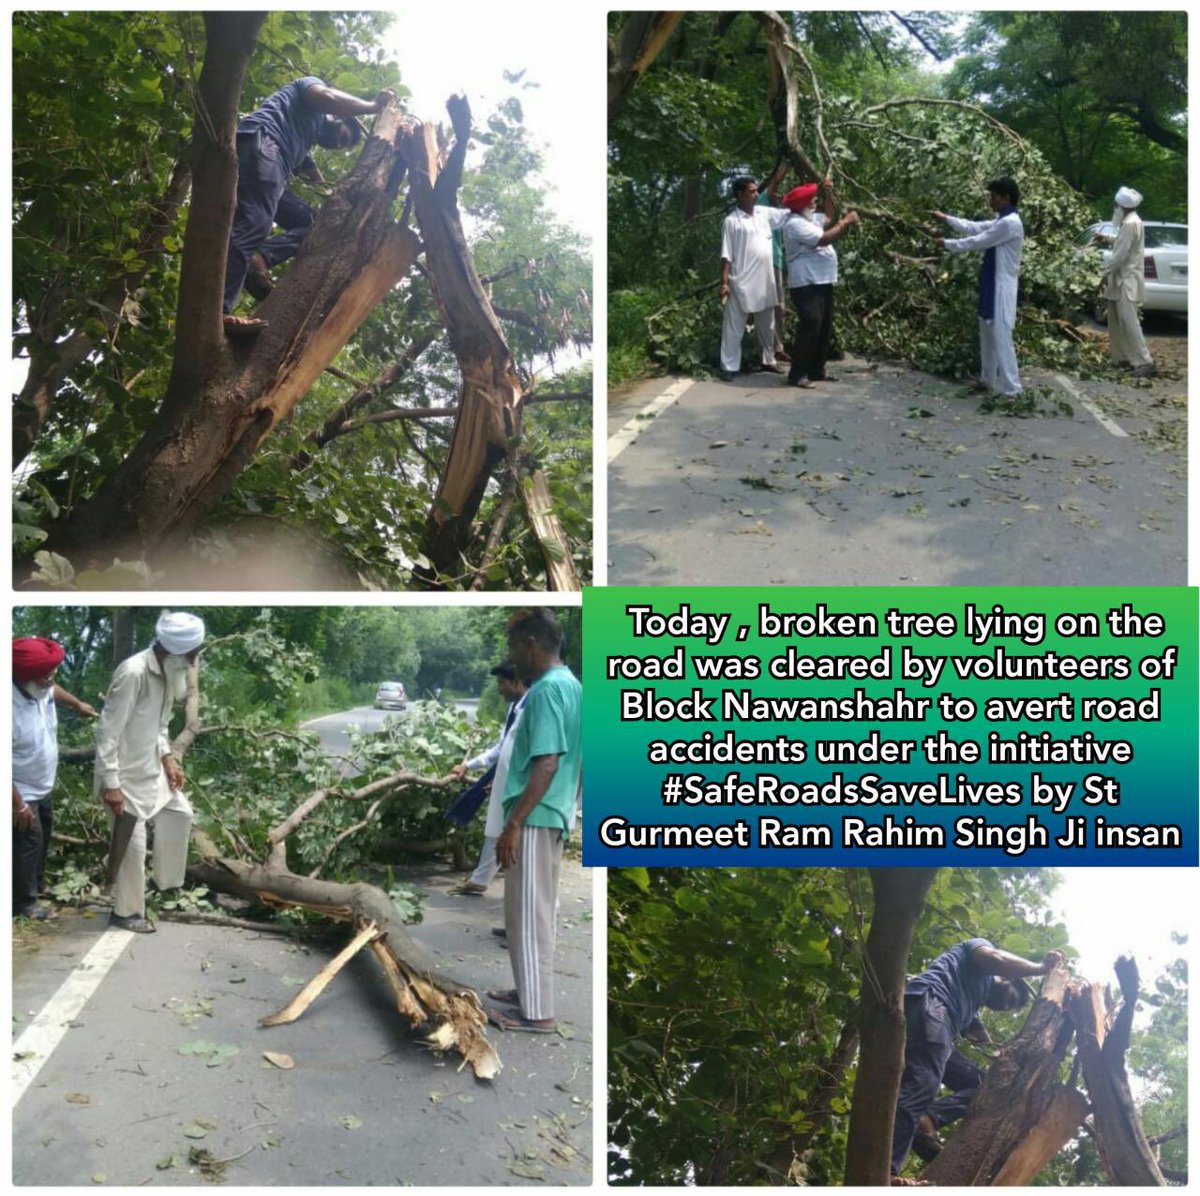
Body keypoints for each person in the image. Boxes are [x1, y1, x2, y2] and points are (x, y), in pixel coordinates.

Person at [222, 78, 398, 335]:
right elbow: (327, 97)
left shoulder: (305, 131)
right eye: (342, 136)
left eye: (340, 145)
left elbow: (308, 167)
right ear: (338, 117)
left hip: (272, 162)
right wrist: (372, 107)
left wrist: (328, 185)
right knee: (255, 222)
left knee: (316, 223)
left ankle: (261, 257)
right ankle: (220, 311)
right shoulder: (310, 92)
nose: (337, 143)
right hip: (263, 144)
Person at [890, 938, 1065, 1181]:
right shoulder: (977, 953)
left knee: (986, 1084)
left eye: (1010, 1008)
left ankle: (929, 1117)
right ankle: (887, 1170)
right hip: (930, 1004)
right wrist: (1040, 969)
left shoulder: (972, 999)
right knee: (922, 1083)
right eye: (1012, 999)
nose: (1005, 1006)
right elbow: (997, 960)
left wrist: (1005, 1057)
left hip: (937, 1025)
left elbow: (981, 1037)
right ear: (1007, 978)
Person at [488, 609, 582, 1033]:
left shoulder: (545, 692)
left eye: (512, 647)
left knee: (528, 913)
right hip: (552, 812)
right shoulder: (572, 686)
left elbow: (546, 763)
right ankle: (527, 991)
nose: (511, 656)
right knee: (531, 909)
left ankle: (537, 1013)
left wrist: (514, 824)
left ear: (530, 645)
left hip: (535, 817)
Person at [93, 612, 206, 933]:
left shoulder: (170, 672)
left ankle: (164, 882)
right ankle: (125, 913)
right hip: (124, 778)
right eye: (192, 654)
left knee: (180, 812)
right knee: (132, 847)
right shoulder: (134, 673)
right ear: (175, 652)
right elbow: (107, 733)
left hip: (151, 771)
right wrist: (111, 784)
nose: (195, 660)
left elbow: (160, 725)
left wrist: (168, 759)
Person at [13, 637, 98, 920]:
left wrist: (77, 704)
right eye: (45, 675)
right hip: (19, 790)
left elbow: (53, 691)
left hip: (42, 782)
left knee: (43, 834)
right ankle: (24, 903)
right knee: (28, 842)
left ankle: (37, 885)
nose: (51, 679)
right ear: (25, 677)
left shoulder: (40, 686)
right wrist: (17, 804)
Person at [932, 178, 1025, 399]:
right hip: (991, 283)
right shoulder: (1001, 220)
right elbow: (973, 226)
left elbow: (977, 240)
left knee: (1002, 337)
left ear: (1006, 198)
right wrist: (945, 218)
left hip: (1001, 287)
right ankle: (987, 379)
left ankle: (1013, 389)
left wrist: (946, 244)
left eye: (994, 197)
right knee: (987, 333)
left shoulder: (1010, 223)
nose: (991, 201)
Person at [445, 662, 529, 896]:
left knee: (517, 844)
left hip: (521, 788)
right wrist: (467, 765)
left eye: (502, 683)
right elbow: (501, 749)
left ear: (517, 682)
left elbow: (533, 755)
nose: (500, 689)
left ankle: (534, 915)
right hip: (507, 783)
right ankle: (481, 880)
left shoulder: (532, 709)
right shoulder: (515, 709)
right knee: (495, 832)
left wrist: (509, 779)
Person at [782, 177, 859, 388]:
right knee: (810, 324)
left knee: (823, 326)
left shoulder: (808, 218)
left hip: (822, 280)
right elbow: (823, 239)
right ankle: (797, 374)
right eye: (811, 201)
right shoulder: (795, 224)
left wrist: (828, 193)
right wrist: (845, 222)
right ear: (802, 205)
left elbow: (828, 216)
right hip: (806, 282)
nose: (814, 203)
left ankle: (816, 370)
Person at [718, 170, 793, 381]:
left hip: (765, 280)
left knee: (767, 324)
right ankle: (729, 366)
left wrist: (797, 200)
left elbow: (788, 214)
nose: (754, 194)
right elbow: (726, 255)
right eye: (751, 191)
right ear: (740, 195)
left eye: (754, 190)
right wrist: (724, 283)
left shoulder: (764, 213)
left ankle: (768, 360)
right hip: (741, 282)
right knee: (734, 327)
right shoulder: (732, 221)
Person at [1102, 186, 1156, 378]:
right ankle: (1122, 357)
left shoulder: (1130, 224)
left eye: (1116, 206)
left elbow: (1120, 256)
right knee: (1116, 320)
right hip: (1120, 280)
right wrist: (1106, 238)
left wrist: (1101, 273)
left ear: (1122, 207)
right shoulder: (1132, 222)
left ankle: (1145, 360)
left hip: (1126, 281)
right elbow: (1122, 243)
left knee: (1129, 321)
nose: (1115, 209)